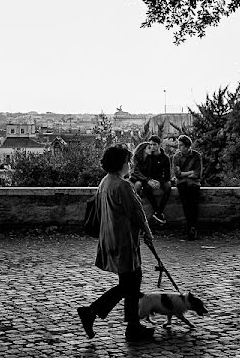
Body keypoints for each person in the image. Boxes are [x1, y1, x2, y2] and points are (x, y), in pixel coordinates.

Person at [77, 145, 155, 342]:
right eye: (127, 161)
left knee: (129, 283)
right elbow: (137, 213)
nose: (129, 164)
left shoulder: (105, 182)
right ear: (121, 163)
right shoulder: (122, 185)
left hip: (110, 238)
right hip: (124, 241)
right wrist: (147, 233)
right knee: (131, 282)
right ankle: (93, 312)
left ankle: (132, 326)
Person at [133, 136, 173, 224]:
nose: (152, 147)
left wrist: (160, 181)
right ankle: (156, 210)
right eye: (150, 144)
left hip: (161, 179)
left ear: (159, 145)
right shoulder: (149, 156)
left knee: (168, 186)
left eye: (154, 144)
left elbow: (167, 175)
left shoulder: (165, 158)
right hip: (150, 179)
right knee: (146, 188)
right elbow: (145, 172)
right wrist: (150, 180)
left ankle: (159, 212)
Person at [173, 134, 203, 240]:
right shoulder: (176, 157)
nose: (179, 148)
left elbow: (198, 174)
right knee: (186, 204)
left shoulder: (196, 156)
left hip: (193, 183)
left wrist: (184, 174)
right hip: (182, 183)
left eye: (181, 145)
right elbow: (177, 174)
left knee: (193, 204)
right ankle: (191, 227)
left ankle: (192, 227)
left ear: (187, 146)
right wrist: (190, 172)